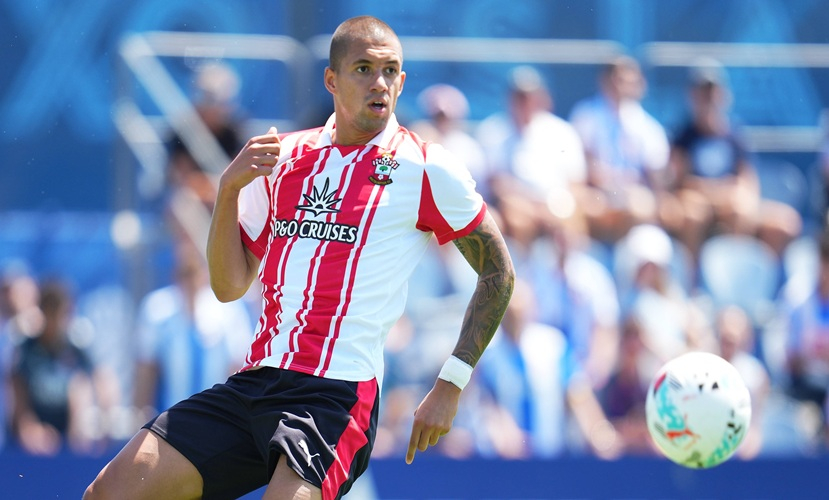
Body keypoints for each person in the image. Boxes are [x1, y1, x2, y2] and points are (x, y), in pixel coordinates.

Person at [85, 16, 515, 500]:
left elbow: (499, 273)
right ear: (331, 79)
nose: (380, 82)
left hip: (335, 397)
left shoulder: (427, 167)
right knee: (110, 493)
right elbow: (228, 287)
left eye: (390, 70)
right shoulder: (286, 157)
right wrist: (229, 190)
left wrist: (451, 383)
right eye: (363, 68)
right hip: (254, 383)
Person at [667, 59, 801, 261]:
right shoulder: (683, 137)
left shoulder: (735, 136)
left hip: (730, 203)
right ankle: (693, 276)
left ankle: (744, 273)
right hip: (698, 204)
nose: (709, 100)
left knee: (780, 222)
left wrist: (730, 196)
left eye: (713, 93)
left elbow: (747, 181)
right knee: (693, 215)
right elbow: (681, 183)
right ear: (693, 96)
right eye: (703, 93)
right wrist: (718, 193)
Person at [568, 55, 672, 244]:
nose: (622, 86)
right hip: (596, 193)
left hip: (634, 194)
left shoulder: (649, 127)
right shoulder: (585, 116)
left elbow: (656, 173)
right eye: (618, 79)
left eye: (629, 80)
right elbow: (583, 164)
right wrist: (610, 186)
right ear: (605, 81)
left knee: (641, 207)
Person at [10, 279, 99, 456]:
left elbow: (94, 383)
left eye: (64, 312)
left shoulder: (76, 349)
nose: (59, 320)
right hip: (34, 442)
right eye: (53, 311)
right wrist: (30, 429)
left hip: (72, 439)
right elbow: (17, 392)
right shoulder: (26, 349)